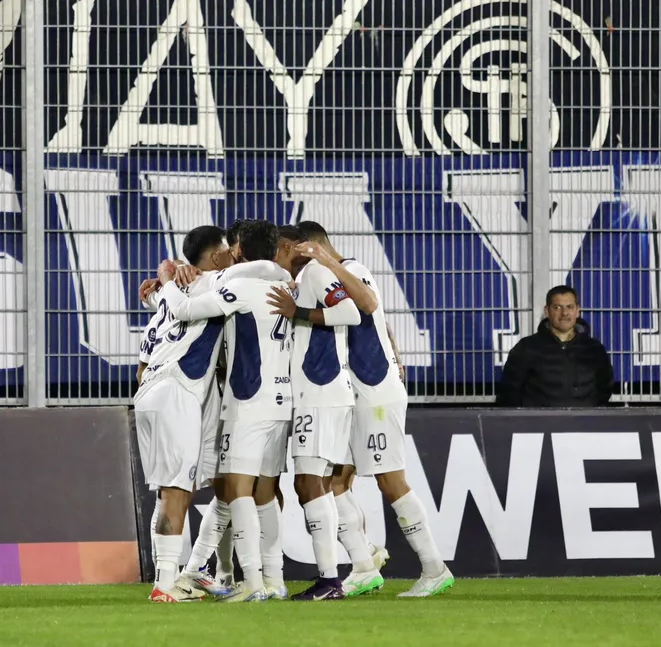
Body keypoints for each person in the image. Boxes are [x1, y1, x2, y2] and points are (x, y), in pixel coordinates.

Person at [273, 220, 453, 599]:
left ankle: (434, 567)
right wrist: (395, 351)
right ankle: (363, 567)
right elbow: (380, 321)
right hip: (355, 392)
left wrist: (324, 267)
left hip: (375, 392)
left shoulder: (349, 269)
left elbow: (367, 305)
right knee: (337, 481)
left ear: (309, 247)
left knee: (391, 480)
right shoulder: (330, 278)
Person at [134, 224, 284, 603]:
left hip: (149, 389)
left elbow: (158, 313)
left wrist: (166, 279)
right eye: (228, 250)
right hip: (179, 390)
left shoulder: (173, 295)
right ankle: (166, 586)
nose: (234, 254)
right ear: (218, 256)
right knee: (178, 490)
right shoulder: (215, 284)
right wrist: (169, 276)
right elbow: (260, 270)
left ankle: (188, 572)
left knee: (176, 488)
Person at [266, 225, 363, 601]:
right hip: (318, 395)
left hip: (321, 394)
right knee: (315, 484)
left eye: (276, 251)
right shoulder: (302, 278)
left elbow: (351, 311)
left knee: (309, 484)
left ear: (289, 247)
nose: (273, 258)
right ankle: (330, 578)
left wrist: (299, 312)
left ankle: (330, 580)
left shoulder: (317, 273)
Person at [495, 286, 613, 407]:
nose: (564, 313)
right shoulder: (527, 348)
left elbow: (605, 389)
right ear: (547, 311)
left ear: (577, 311)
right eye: (557, 307)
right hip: (540, 424)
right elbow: (509, 392)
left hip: (583, 423)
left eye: (569, 307)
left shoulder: (594, 349)